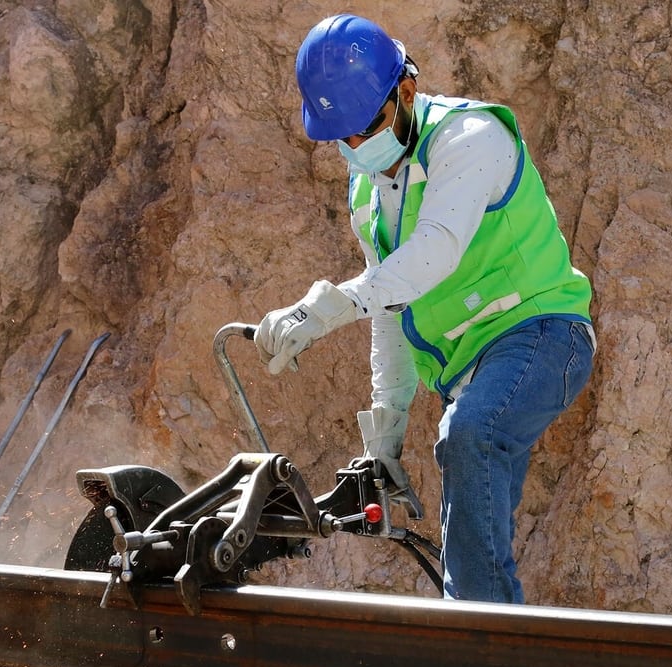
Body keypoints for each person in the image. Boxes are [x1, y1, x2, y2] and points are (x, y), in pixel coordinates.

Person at [254, 13, 595, 603]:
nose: (357, 147)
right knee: (468, 449)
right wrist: (384, 433)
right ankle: (491, 644)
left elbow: (436, 248)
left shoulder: (470, 137)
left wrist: (336, 305)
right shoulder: (366, 190)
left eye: (367, 127)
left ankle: (479, 648)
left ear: (405, 92)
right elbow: (393, 305)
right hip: (470, 368)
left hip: (542, 333)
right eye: (343, 137)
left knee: (471, 433)